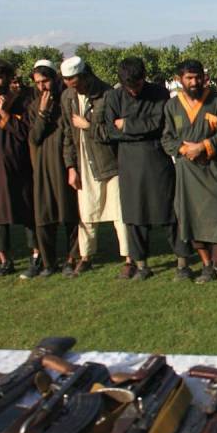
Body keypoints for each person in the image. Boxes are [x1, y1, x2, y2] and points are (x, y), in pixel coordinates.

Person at [105, 57, 191, 280]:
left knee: (170, 213)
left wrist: (127, 125)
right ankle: (141, 265)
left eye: (138, 85)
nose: (134, 91)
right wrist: (136, 128)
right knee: (135, 216)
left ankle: (182, 263)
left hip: (157, 160)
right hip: (128, 165)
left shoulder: (158, 93)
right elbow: (110, 132)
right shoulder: (113, 97)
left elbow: (158, 124)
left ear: (144, 78)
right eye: (129, 87)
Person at [161, 59, 217, 284]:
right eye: (189, 78)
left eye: (197, 77)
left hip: (214, 169)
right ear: (178, 80)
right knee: (192, 217)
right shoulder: (172, 106)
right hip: (187, 171)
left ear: (204, 77)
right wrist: (183, 149)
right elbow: (167, 138)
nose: (194, 82)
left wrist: (204, 146)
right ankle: (207, 265)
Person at [60, 56, 131, 277]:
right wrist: (71, 167)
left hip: (109, 163)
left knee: (120, 214)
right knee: (87, 213)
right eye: (68, 83)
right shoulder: (67, 97)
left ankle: (129, 259)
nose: (74, 87)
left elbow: (116, 132)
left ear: (85, 76)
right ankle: (86, 257)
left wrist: (89, 126)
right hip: (83, 163)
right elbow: (67, 135)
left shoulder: (108, 94)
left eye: (76, 83)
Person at [0, 58, 39, 278]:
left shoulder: (23, 103)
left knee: (29, 214)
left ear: (7, 77)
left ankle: (36, 257)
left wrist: (6, 113)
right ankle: (5, 261)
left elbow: (27, 134)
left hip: (24, 169)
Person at [27, 60, 79, 277]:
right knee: (43, 216)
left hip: (65, 164)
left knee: (70, 214)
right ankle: (49, 263)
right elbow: (34, 138)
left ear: (55, 79)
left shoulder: (66, 101)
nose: (42, 87)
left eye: (45, 81)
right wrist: (42, 114)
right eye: (37, 83)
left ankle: (71, 259)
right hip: (42, 168)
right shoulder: (33, 107)